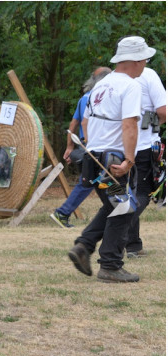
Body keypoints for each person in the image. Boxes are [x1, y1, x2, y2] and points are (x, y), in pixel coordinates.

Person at [67, 36, 155, 283]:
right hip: (113, 161)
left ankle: (83, 246)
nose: (146, 64)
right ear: (136, 61)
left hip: (94, 157)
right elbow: (129, 125)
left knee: (115, 205)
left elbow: (85, 122)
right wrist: (129, 159)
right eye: (145, 59)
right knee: (125, 207)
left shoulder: (101, 86)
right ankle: (110, 265)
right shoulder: (130, 86)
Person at [50, 67, 112, 228]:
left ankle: (112, 212)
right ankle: (63, 212)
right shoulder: (105, 97)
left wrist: (70, 147)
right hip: (99, 146)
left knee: (98, 181)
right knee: (91, 181)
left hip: (88, 145)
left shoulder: (84, 98)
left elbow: (74, 124)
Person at [124, 66, 166, 257]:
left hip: (120, 145)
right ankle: (118, 231)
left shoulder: (112, 78)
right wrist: (151, 127)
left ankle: (133, 245)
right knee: (144, 192)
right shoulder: (148, 74)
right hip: (143, 146)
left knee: (129, 192)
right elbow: (163, 111)